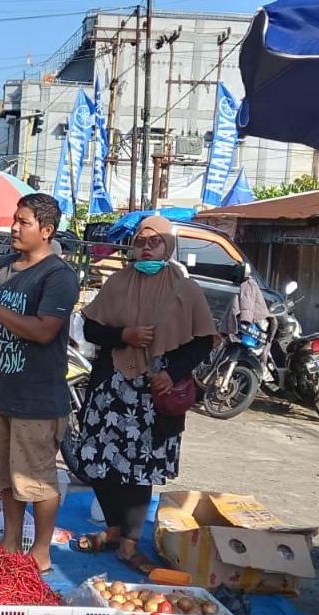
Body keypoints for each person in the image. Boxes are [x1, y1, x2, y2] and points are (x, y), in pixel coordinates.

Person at [74, 216, 218, 574]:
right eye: (141, 241)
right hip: (111, 389)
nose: (146, 247)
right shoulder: (118, 281)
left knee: (139, 470)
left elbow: (203, 340)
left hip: (154, 393)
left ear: (168, 245)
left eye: (154, 241)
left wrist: (173, 374)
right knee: (97, 461)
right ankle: (112, 528)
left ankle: (128, 544)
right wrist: (125, 335)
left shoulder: (186, 289)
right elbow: (91, 327)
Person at [0, 194, 80, 572]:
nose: (13, 227)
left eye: (23, 222)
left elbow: (44, 331)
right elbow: (5, 324)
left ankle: (40, 552)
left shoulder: (58, 276)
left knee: (36, 478)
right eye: (14, 219)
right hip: (3, 390)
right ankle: (10, 543)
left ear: (46, 231)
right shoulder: (5, 267)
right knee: (5, 474)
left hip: (38, 395)